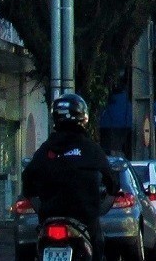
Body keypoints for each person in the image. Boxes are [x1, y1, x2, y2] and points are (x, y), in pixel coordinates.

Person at [22, 93, 119, 261]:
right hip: (84, 217)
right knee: (98, 244)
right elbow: (111, 180)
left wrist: (38, 201)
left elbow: (27, 179)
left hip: (49, 216)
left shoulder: (45, 150)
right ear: (83, 118)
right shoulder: (91, 149)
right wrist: (111, 190)